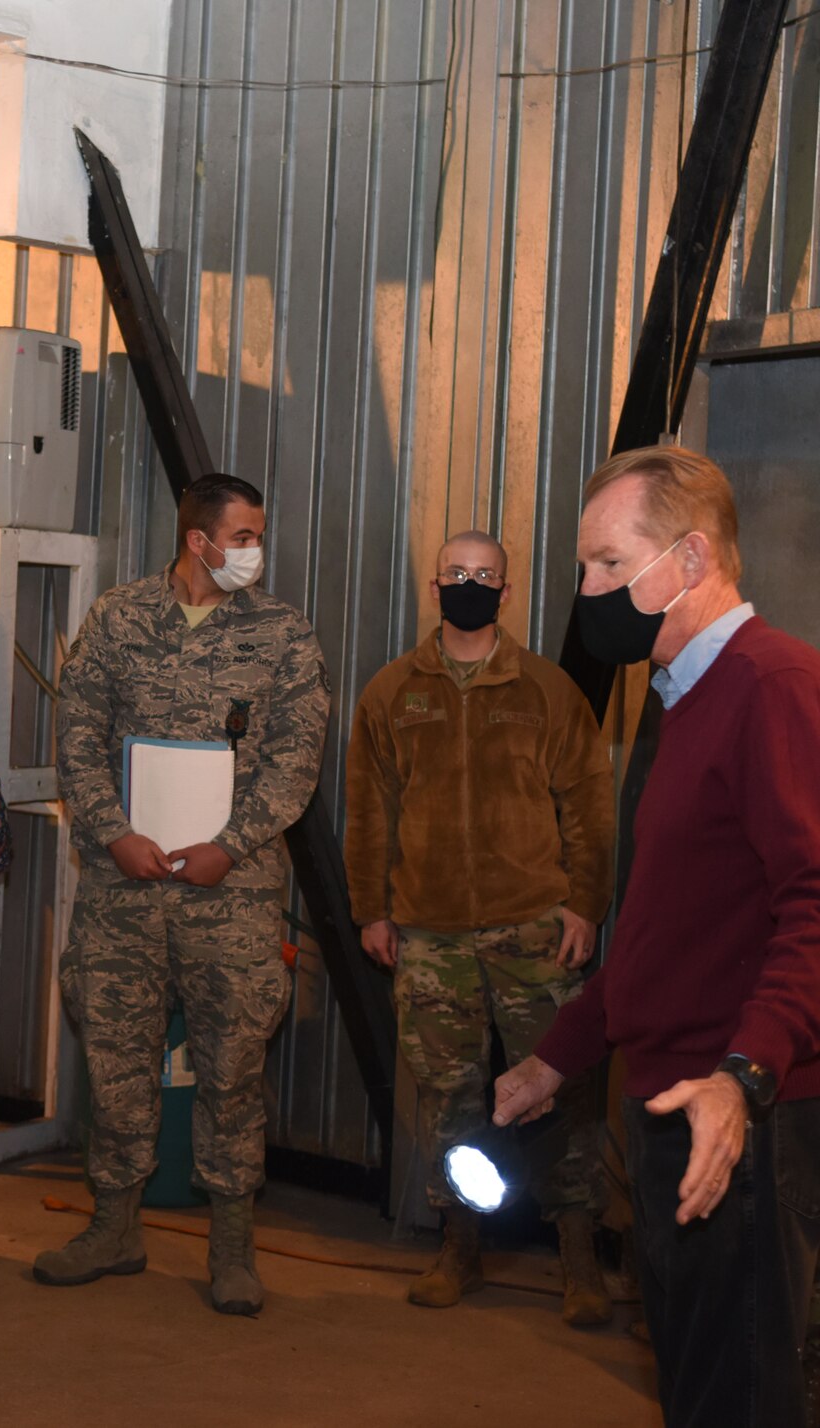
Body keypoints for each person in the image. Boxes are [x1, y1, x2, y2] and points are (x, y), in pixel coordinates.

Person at [496, 447, 820, 1427]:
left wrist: (741, 1077)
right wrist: (559, 1057)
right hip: (667, 1100)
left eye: (604, 564)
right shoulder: (683, 696)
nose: (586, 592)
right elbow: (663, 922)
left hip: (736, 1118)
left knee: (742, 1390)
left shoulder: (771, 688)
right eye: (581, 570)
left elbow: (813, 903)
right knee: (693, 1384)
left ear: (685, 558)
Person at [36, 472, 329, 1315]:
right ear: (198, 541)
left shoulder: (281, 633)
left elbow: (295, 761)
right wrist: (112, 833)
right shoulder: (119, 618)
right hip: (124, 893)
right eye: (242, 537)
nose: (254, 551)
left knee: (233, 1069)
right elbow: (78, 732)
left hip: (231, 896)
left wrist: (230, 847)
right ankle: (114, 1228)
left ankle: (232, 1248)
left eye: (259, 536)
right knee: (118, 1060)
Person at [344, 530, 615, 1323]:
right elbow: (369, 812)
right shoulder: (393, 692)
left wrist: (587, 905)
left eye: (485, 576)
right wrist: (372, 909)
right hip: (428, 934)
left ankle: (579, 1260)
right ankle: (459, 1246)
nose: (471, 584)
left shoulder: (545, 691)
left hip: (534, 929)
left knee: (561, 1091)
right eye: (457, 574)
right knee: (448, 1097)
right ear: (436, 588)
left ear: (506, 592)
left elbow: (590, 805)